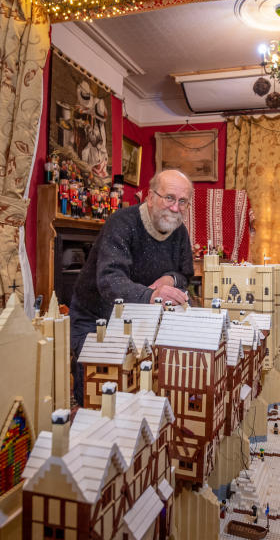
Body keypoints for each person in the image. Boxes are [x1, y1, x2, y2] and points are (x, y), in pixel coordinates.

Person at [69, 169, 195, 405]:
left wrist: (171, 279)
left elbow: (185, 274)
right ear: (150, 196)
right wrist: (152, 295)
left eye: (182, 201)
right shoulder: (122, 223)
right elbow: (110, 280)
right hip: (97, 318)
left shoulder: (179, 232)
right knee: (97, 389)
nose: (175, 208)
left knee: (145, 387)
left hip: (141, 319)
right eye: (169, 198)